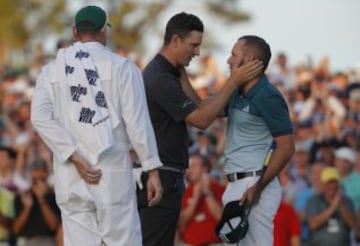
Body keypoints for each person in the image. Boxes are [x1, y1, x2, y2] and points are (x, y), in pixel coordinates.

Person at [30, 5, 163, 246]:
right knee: (123, 241)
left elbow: (39, 118)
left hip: (70, 172)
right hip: (113, 172)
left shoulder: (51, 71)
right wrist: (152, 168)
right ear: (104, 32)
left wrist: (72, 155)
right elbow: (137, 122)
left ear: (74, 32)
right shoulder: (122, 67)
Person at [141, 12, 263, 246]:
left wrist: (183, 74)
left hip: (166, 175)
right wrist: (233, 82)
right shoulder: (160, 77)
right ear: (175, 40)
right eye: (193, 45)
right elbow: (201, 119)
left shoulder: (169, 72)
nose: (197, 52)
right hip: (161, 175)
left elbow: (200, 105)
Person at [221, 35, 295, 245]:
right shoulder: (237, 91)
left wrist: (259, 186)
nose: (229, 60)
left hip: (254, 184)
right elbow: (205, 109)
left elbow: (287, 147)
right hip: (237, 183)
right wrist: (181, 75)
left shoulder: (268, 95)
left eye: (233, 55)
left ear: (251, 60)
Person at [178, 154, 225, 245]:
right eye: (189, 166)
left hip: (214, 243)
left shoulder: (219, 188)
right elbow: (181, 223)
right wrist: (196, 198)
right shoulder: (186, 191)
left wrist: (207, 192)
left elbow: (221, 218)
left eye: (194, 166)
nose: (190, 170)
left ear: (205, 169)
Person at [12, 159, 61, 246]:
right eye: (36, 170)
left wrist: (41, 199)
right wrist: (27, 208)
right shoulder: (21, 196)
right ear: (30, 173)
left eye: (43, 171)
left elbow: (54, 227)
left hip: (47, 241)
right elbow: (16, 229)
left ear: (47, 174)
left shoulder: (54, 196)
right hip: (26, 241)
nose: (39, 174)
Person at [305, 167, 357, 246]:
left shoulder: (347, 201)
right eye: (329, 182)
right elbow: (313, 224)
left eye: (335, 182)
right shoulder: (314, 201)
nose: (332, 186)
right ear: (323, 184)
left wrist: (340, 205)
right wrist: (333, 207)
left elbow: (354, 225)